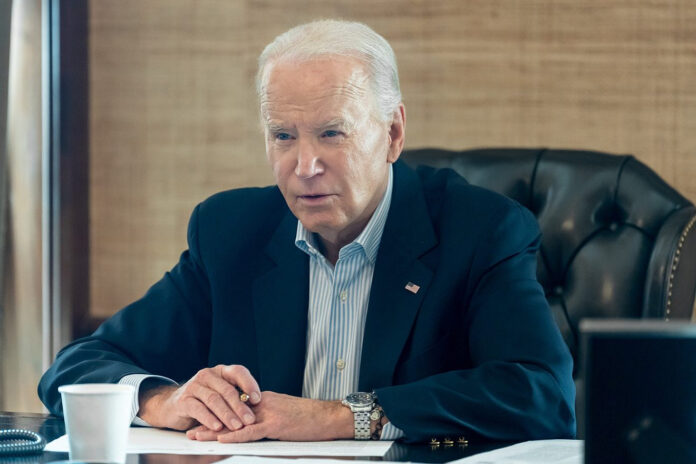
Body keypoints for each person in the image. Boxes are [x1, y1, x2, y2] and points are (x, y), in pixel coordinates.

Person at [38, 19, 575, 444]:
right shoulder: (230, 232)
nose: (305, 165)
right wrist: (165, 401)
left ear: (392, 133)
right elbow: (75, 369)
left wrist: (342, 417)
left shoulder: (480, 230)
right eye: (283, 136)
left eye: (331, 133)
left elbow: (542, 395)